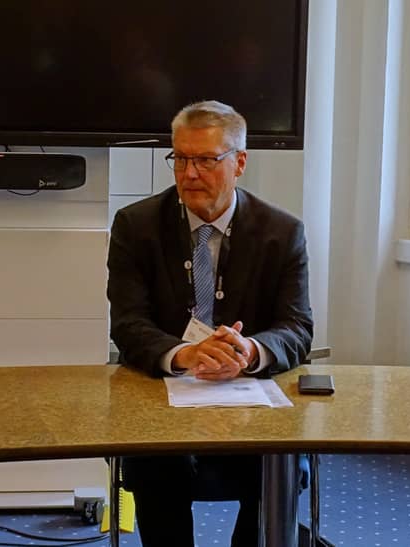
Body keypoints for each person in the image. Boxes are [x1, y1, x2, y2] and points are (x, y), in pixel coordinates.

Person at [107, 100, 313, 546]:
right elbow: (127, 323)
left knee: (278, 466)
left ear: (239, 163)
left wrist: (249, 350)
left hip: (250, 398)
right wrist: (187, 354)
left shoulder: (281, 232)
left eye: (205, 160)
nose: (190, 173)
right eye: (180, 159)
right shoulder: (135, 226)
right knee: (156, 464)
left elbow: (297, 327)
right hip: (162, 393)